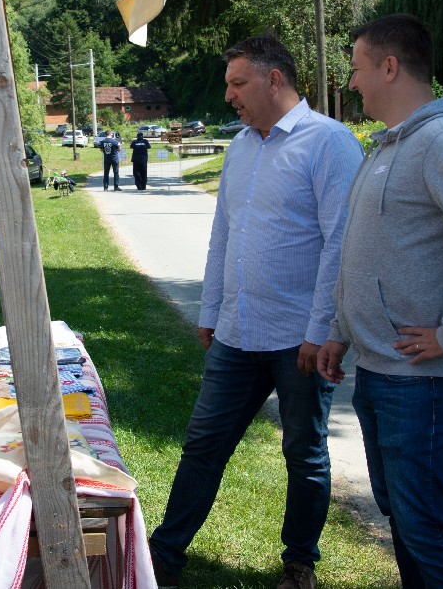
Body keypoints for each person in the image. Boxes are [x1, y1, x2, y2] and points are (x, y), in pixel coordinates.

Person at [149, 35, 363, 589]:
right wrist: (211, 308)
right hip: (236, 333)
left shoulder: (330, 142)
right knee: (203, 444)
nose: (229, 95)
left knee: (304, 452)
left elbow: (341, 245)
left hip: (299, 339)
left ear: (274, 79)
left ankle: (299, 563)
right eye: (229, 84)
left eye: (237, 83)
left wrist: (321, 330)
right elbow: (224, 234)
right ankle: (163, 557)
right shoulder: (240, 147)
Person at [317, 14, 443, 588]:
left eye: (357, 68)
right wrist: (340, 330)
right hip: (383, 371)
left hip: (424, 381)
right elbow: (369, 251)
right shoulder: (387, 147)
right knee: (407, 524)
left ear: (389, 67)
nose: (351, 83)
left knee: (429, 529)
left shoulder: (441, 140)